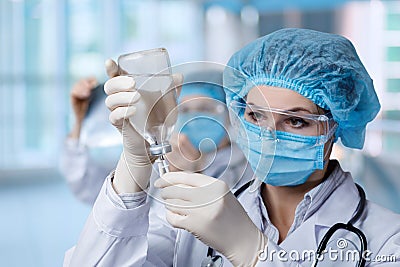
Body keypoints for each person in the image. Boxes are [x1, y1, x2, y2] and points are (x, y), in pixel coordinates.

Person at [64, 28, 400, 266]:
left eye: (296, 121)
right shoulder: (200, 215)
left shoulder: (387, 240)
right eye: (255, 116)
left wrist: (254, 253)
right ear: (239, 116)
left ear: (335, 126)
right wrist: (135, 164)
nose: (269, 136)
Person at [60, 66, 252, 205]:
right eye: (185, 109)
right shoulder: (161, 161)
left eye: (206, 108)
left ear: (230, 115)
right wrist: (79, 123)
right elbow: (91, 190)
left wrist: (191, 177)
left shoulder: (247, 169)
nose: (194, 117)